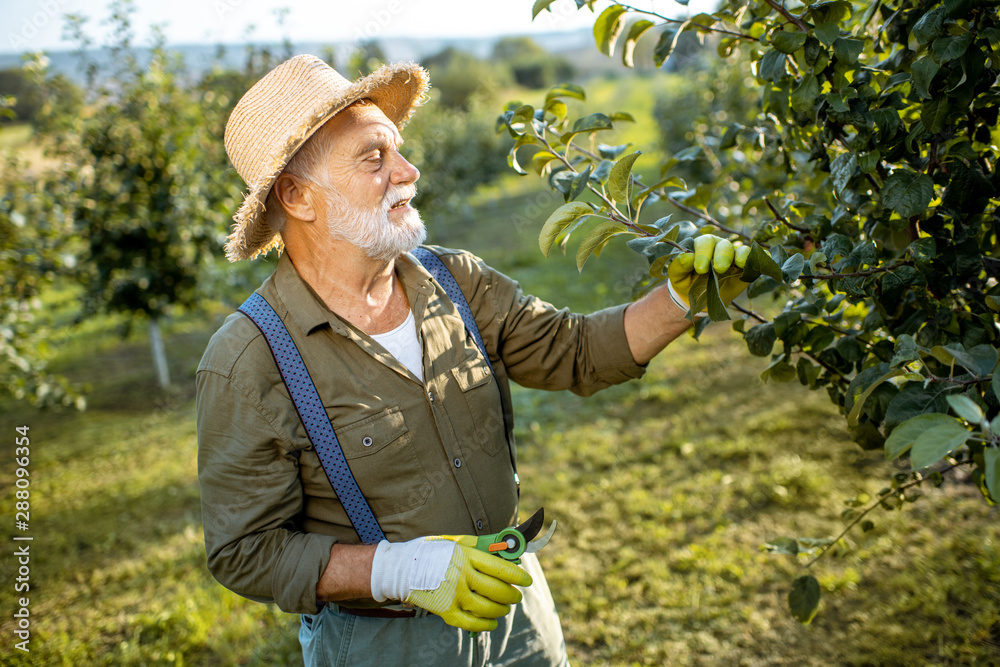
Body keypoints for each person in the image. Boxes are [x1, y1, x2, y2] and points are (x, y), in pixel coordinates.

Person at [196, 54, 747, 667]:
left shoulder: (454, 280)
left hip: (515, 598)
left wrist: (680, 298)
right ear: (298, 197)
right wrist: (408, 571)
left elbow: (575, 351)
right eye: (374, 157)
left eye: (398, 150)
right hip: (386, 642)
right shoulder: (251, 358)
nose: (409, 171)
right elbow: (245, 550)